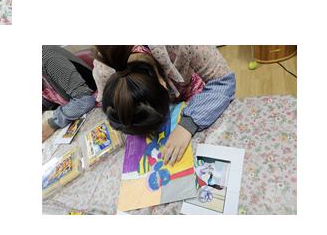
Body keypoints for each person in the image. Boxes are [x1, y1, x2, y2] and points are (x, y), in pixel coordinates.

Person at [94, 45, 236, 166]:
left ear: (164, 84)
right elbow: (108, 106)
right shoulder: (104, 70)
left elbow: (224, 82)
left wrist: (188, 124)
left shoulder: (181, 45)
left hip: (190, 91)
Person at [42, 46, 97, 141]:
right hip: (72, 106)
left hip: (93, 102)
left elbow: (85, 100)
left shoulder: (48, 59)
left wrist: (51, 124)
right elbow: (49, 93)